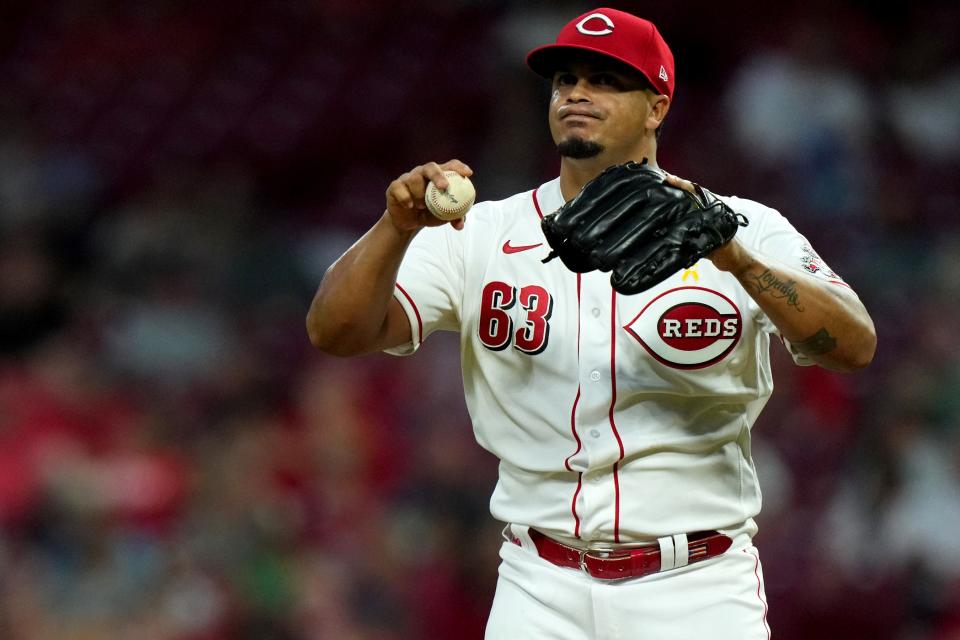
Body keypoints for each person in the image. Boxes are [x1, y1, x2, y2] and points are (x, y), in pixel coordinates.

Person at [306, 7, 876, 639]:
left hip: (697, 585)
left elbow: (854, 345)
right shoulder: (483, 234)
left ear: (657, 107)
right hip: (538, 584)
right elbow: (335, 331)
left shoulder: (744, 227)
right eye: (565, 79)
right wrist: (396, 227)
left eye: (605, 79)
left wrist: (735, 259)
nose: (576, 92)